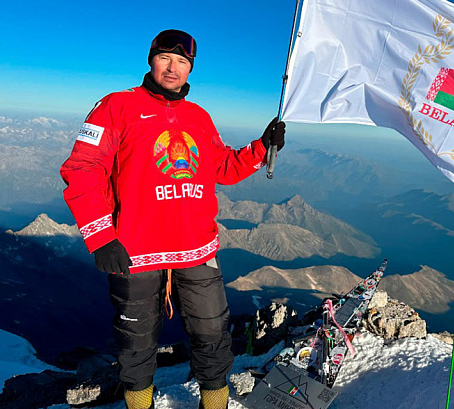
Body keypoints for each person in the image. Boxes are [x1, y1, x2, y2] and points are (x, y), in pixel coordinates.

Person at [60, 29, 285, 409]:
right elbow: (83, 168)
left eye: (182, 61)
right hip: (134, 250)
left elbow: (222, 167)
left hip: (196, 247)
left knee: (213, 334)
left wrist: (262, 147)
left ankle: (213, 404)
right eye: (166, 57)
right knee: (135, 344)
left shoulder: (198, 116)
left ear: (190, 68)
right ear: (151, 59)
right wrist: (99, 236)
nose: (173, 67)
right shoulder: (116, 106)